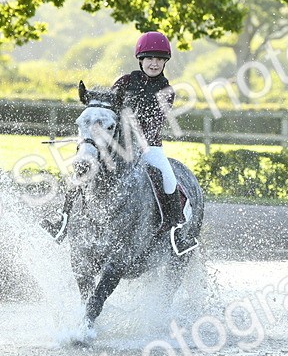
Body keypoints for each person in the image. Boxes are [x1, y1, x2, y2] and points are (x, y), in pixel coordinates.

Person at [42, 31, 197, 254]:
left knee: (168, 179)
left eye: (159, 59)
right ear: (140, 59)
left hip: (149, 146)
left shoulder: (167, 90)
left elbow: (155, 121)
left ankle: (176, 231)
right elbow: (109, 106)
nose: (154, 63)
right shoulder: (126, 81)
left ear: (165, 62)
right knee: (82, 169)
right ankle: (63, 221)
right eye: (150, 58)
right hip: (116, 145)